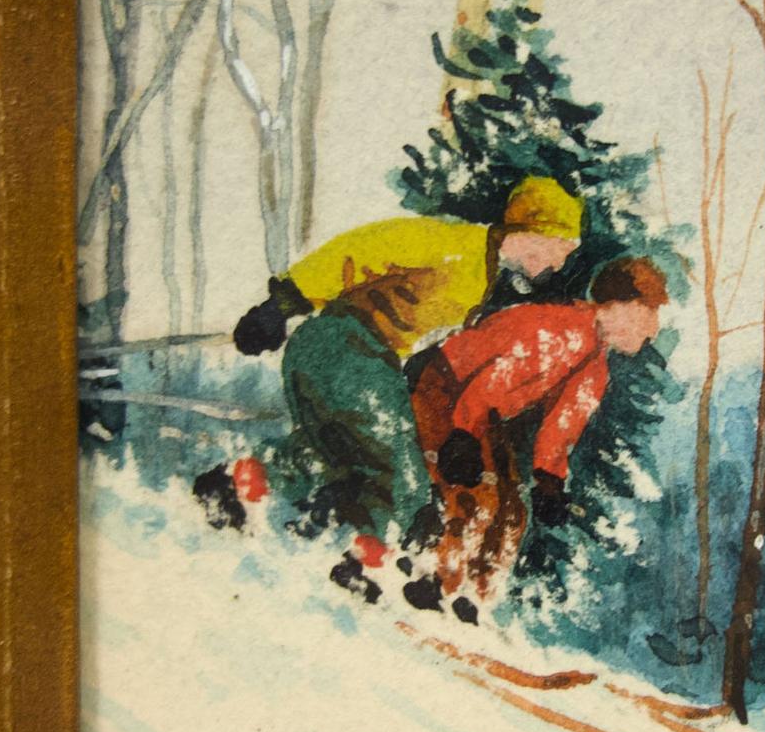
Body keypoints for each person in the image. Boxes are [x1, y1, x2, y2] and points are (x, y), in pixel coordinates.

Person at [194, 176, 583, 537]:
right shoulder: (455, 246)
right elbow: (361, 250)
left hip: (358, 359)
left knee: (333, 456)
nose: (559, 263)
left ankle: (234, 487)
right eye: (559, 248)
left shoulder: (486, 277)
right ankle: (370, 566)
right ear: (531, 231)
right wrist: (282, 304)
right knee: (406, 485)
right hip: (345, 346)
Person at [398, 257, 669, 613]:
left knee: (513, 512)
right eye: (648, 313)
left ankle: (475, 595)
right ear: (619, 306)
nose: (653, 330)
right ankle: (428, 576)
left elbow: (561, 427)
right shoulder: (563, 331)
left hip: (480, 411)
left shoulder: (596, 365)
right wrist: (463, 435)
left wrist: (549, 480)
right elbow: (491, 381)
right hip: (446, 386)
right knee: (478, 495)